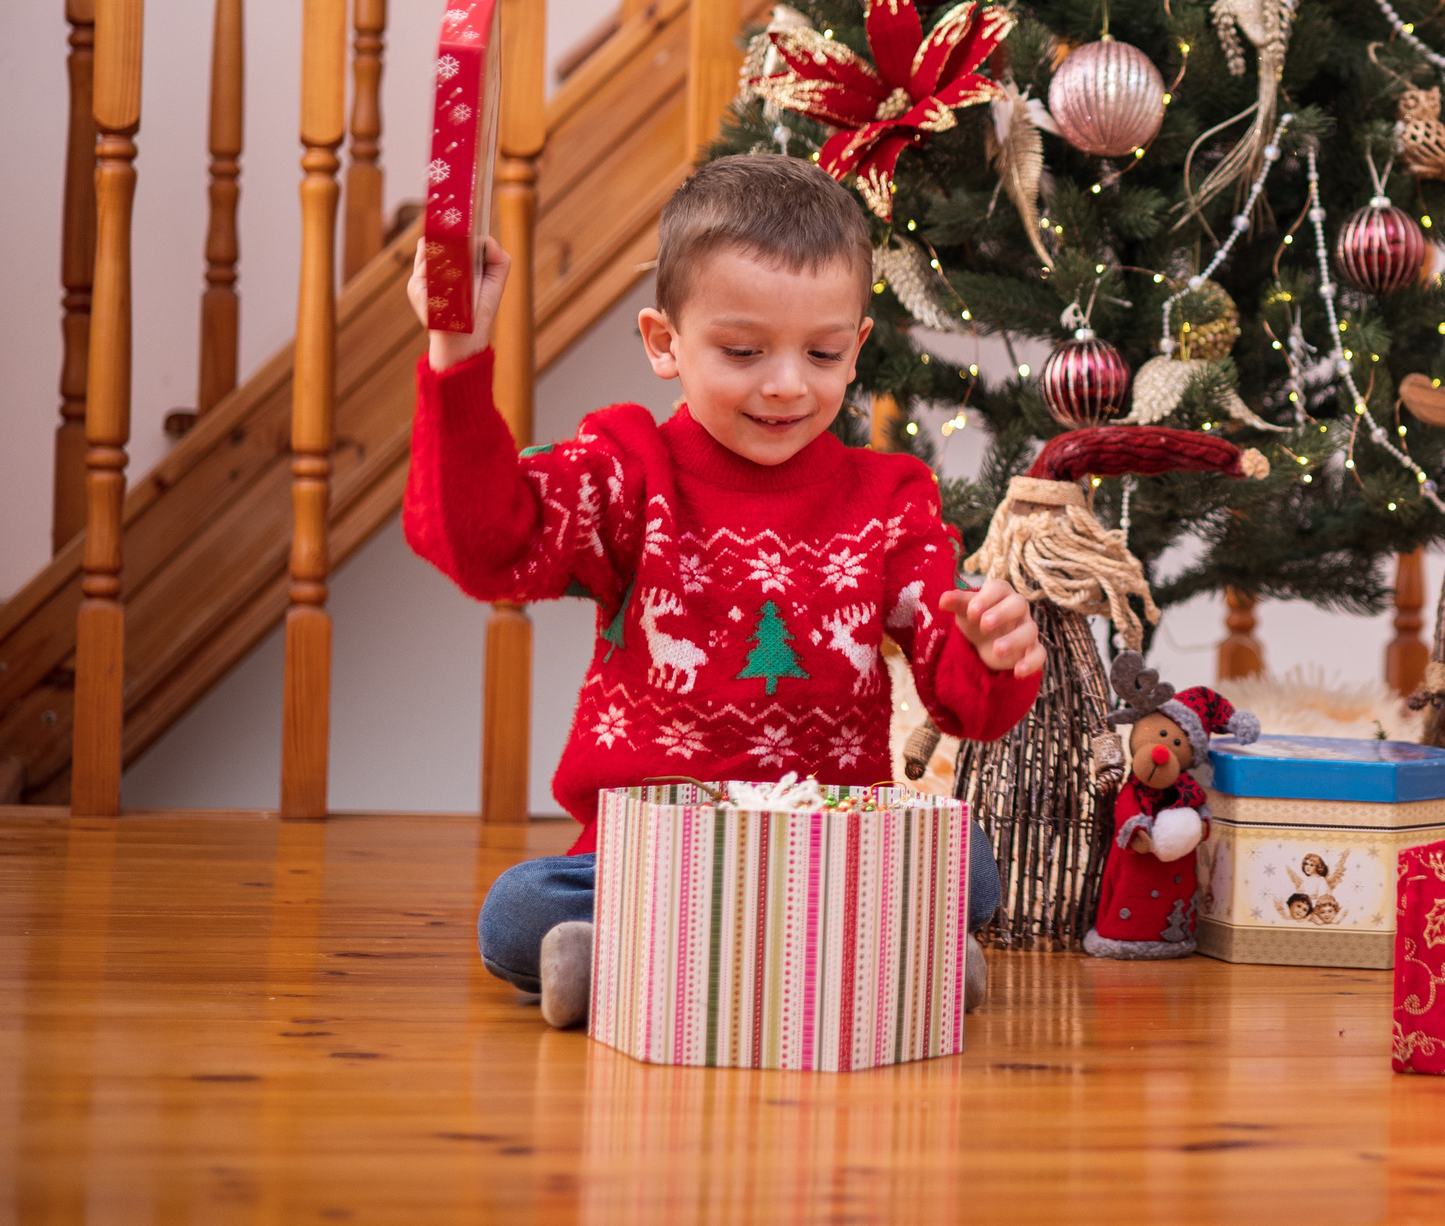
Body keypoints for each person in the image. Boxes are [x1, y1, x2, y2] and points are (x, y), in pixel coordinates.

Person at [403, 154, 1044, 1027]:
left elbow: (964, 699)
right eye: (743, 351)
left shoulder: (892, 500)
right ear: (665, 342)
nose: (786, 383)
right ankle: (878, 960)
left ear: (856, 348)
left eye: (821, 352)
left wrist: (989, 652)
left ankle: (647, 966)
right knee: (520, 910)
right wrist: (458, 354)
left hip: (827, 844)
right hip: (655, 855)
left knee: (966, 860)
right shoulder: (626, 471)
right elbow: (485, 546)